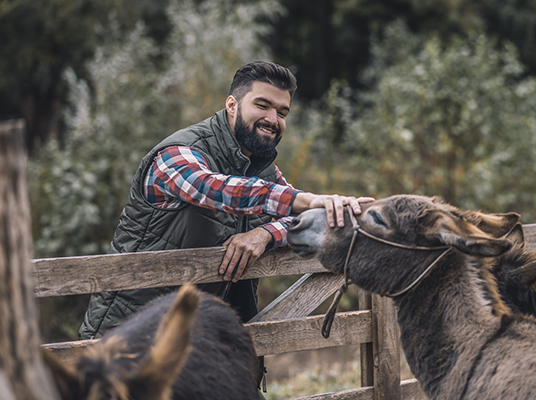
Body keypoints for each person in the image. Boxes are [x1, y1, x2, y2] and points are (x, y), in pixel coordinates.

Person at [77, 61, 372, 394]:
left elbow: (295, 222)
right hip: (128, 345)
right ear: (231, 105)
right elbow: (216, 189)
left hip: (204, 344)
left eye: (283, 112)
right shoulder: (176, 155)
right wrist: (306, 199)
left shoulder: (263, 170)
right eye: (262, 105)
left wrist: (264, 234)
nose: (273, 120)